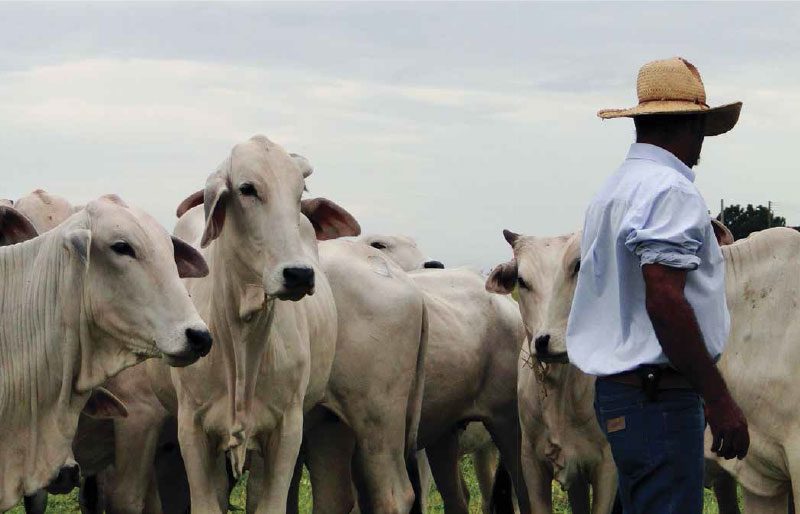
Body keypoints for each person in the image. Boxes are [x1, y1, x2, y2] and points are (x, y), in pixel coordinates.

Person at [565, 57, 750, 514]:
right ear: (690, 125)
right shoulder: (671, 191)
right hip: (660, 399)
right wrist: (718, 398)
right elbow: (665, 298)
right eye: (702, 126)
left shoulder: (612, 191)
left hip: (621, 395)